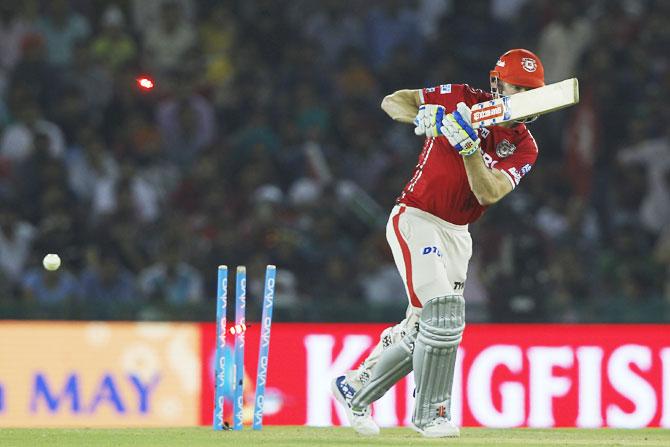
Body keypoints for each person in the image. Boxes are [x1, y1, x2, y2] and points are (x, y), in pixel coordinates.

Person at [331, 49, 545, 437]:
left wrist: (468, 149)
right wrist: (424, 116)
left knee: (422, 326)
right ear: (498, 85)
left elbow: (489, 192)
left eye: (534, 90)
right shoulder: (460, 97)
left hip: (458, 235)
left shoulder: (525, 146)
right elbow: (392, 100)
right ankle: (432, 415)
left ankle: (356, 387)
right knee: (443, 312)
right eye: (520, 88)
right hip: (416, 217)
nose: (528, 98)